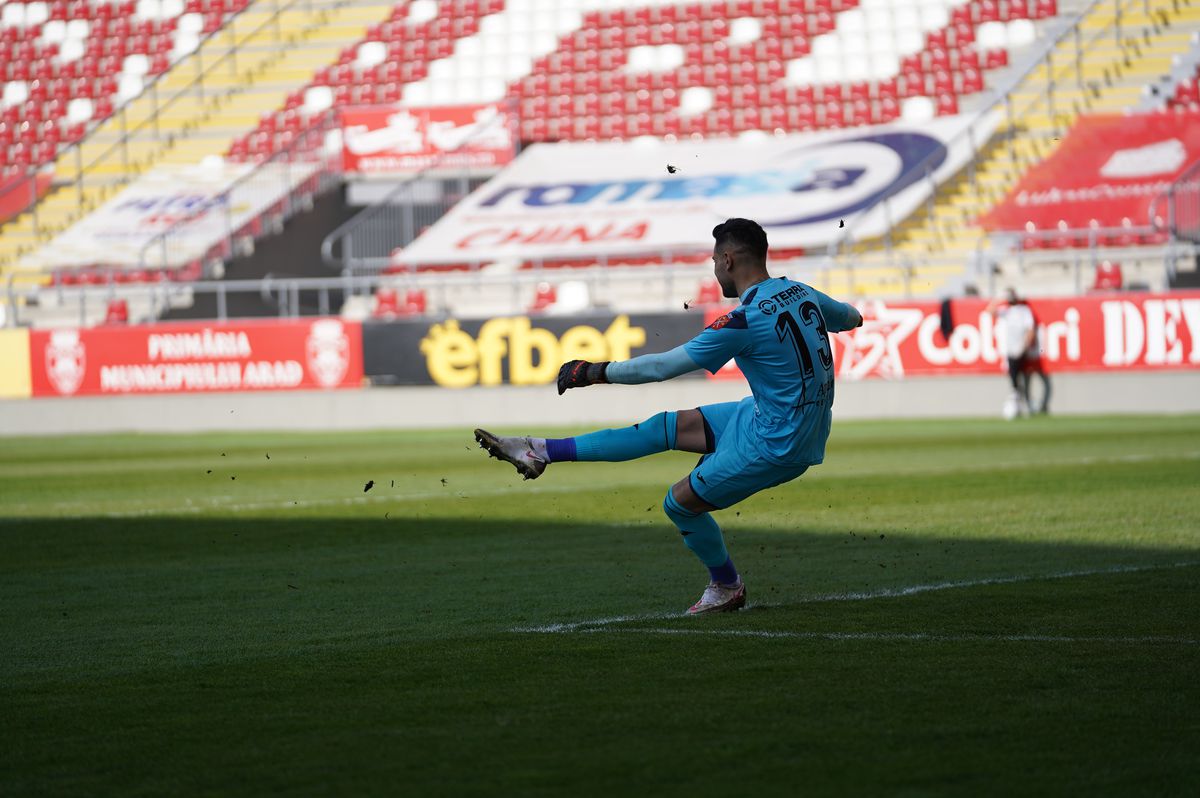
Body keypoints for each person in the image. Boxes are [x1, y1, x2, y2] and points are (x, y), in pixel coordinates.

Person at [473, 218, 863, 614]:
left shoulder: (742, 321)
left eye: (714, 261)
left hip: (777, 442)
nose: (713, 270)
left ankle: (727, 586)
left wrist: (595, 371)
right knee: (666, 427)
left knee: (679, 504)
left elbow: (662, 367)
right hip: (775, 418)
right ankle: (539, 450)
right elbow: (851, 318)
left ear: (727, 259)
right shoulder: (800, 291)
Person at [987, 289, 1050, 417]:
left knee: (1025, 379)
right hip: (1010, 351)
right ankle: (1018, 406)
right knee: (1014, 380)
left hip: (1022, 350)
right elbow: (989, 311)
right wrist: (998, 299)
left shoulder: (1024, 310)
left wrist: (1025, 346)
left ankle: (1026, 405)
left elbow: (1030, 329)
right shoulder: (1006, 311)